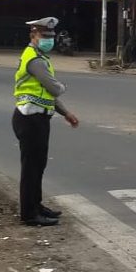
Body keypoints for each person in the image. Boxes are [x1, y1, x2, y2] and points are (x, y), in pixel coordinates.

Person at [12, 17, 80, 227]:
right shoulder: (34, 60)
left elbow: (47, 95)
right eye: (44, 36)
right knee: (31, 167)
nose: (48, 40)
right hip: (29, 119)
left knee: (38, 165)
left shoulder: (40, 57)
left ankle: (37, 206)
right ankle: (29, 214)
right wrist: (62, 87)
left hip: (38, 117)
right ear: (33, 35)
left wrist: (65, 113)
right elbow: (53, 88)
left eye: (51, 36)